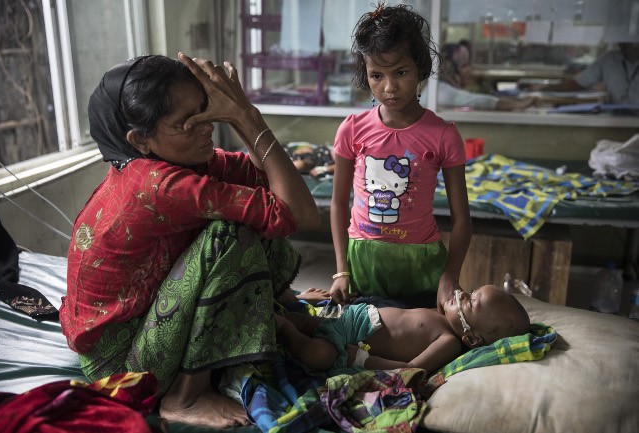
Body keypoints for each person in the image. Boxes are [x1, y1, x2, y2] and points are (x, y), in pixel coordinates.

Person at [59, 53, 321, 429]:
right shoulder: (157, 185)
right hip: (121, 365)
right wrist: (248, 118)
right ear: (140, 141)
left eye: (204, 111)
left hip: (147, 325)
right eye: (186, 122)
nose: (206, 127)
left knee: (250, 206)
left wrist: (241, 111)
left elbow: (270, 181)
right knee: (230, 232)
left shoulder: (186, 163)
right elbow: (301, 215)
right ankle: (184, 396)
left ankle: (284, 304)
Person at [328, 3, 472, 311]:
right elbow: (340, 203)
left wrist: (450, 275)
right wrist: (341, 270)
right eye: (376, 75)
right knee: (363, 337)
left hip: (420, 263)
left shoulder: (443, 135)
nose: (389, 87)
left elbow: (462, 220)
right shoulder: (352, 130)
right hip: (363, 260)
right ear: (364, 75)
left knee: (426, 334)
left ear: (420, 67)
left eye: (401, 72)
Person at [276, 285, 530, 374]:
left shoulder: (449, 342)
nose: (462, 293)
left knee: (319, 356)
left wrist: (364, 360)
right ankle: (275, 320)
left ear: (472, 338)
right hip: (354, 317)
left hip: (349, 343)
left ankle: (285, 330)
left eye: (471, 301)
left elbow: (412, 369)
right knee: (306, 320)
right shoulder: (440, 315)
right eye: (471, 292)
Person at [430, 42, 540, 111]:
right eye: (464, 66)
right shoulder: (438, 92)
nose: (470, 70)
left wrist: (521, 101)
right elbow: (480, 101)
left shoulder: (437, 89)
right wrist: (521, 103)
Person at [519, 42, 639, 104]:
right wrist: (543, 88)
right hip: (615, 120)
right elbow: (579, 83)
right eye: (623, 42)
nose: (627, 45)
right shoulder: (609, 59)